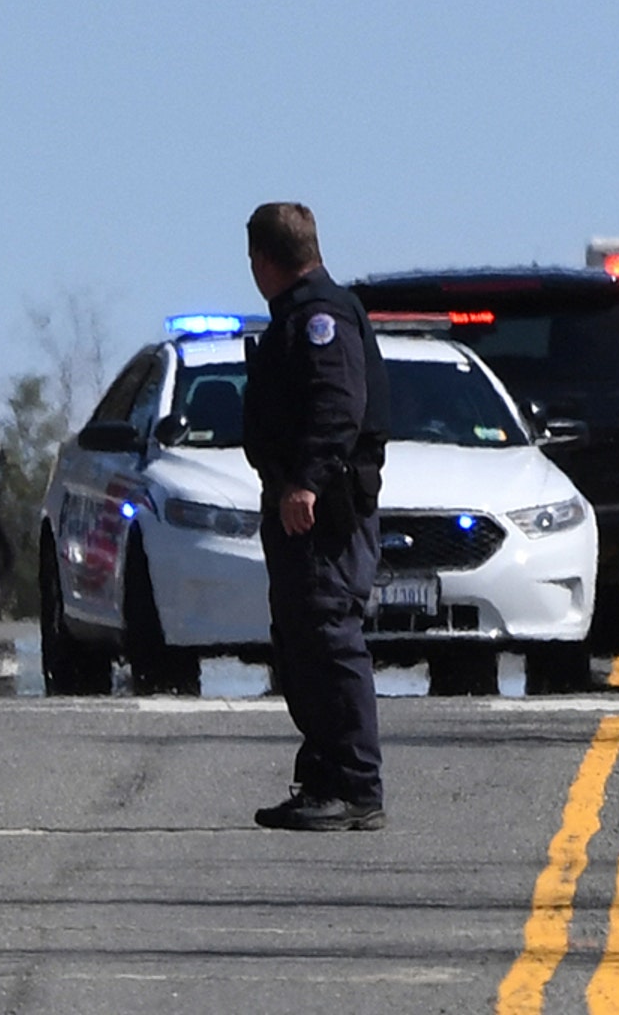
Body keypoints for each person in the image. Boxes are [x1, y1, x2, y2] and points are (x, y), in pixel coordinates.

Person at [239, 202, 391, 832]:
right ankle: (325, 775)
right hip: (300, 507)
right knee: (302, 643)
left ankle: (357, 785)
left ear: (263, 260)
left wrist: (305, 482)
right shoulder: (299, 316)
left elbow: (337, 405)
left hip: (324, 511)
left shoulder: (320, 318)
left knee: (328, 638)